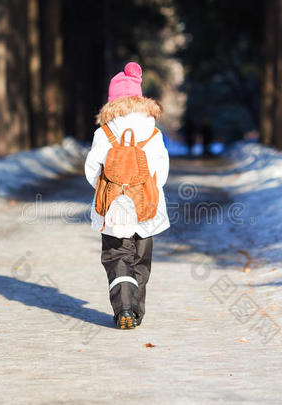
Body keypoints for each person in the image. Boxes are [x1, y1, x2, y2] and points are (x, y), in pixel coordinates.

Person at [84, 62, 170, 329]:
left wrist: (111, 186)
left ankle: (123, 308)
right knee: (140, 261)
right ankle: (136, 311)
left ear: (112, 102)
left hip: (114, 208)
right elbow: (161, 171)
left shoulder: (104, 132)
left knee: (117, 257)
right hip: (147, 206)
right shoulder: (152, 131)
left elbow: (91, 170)